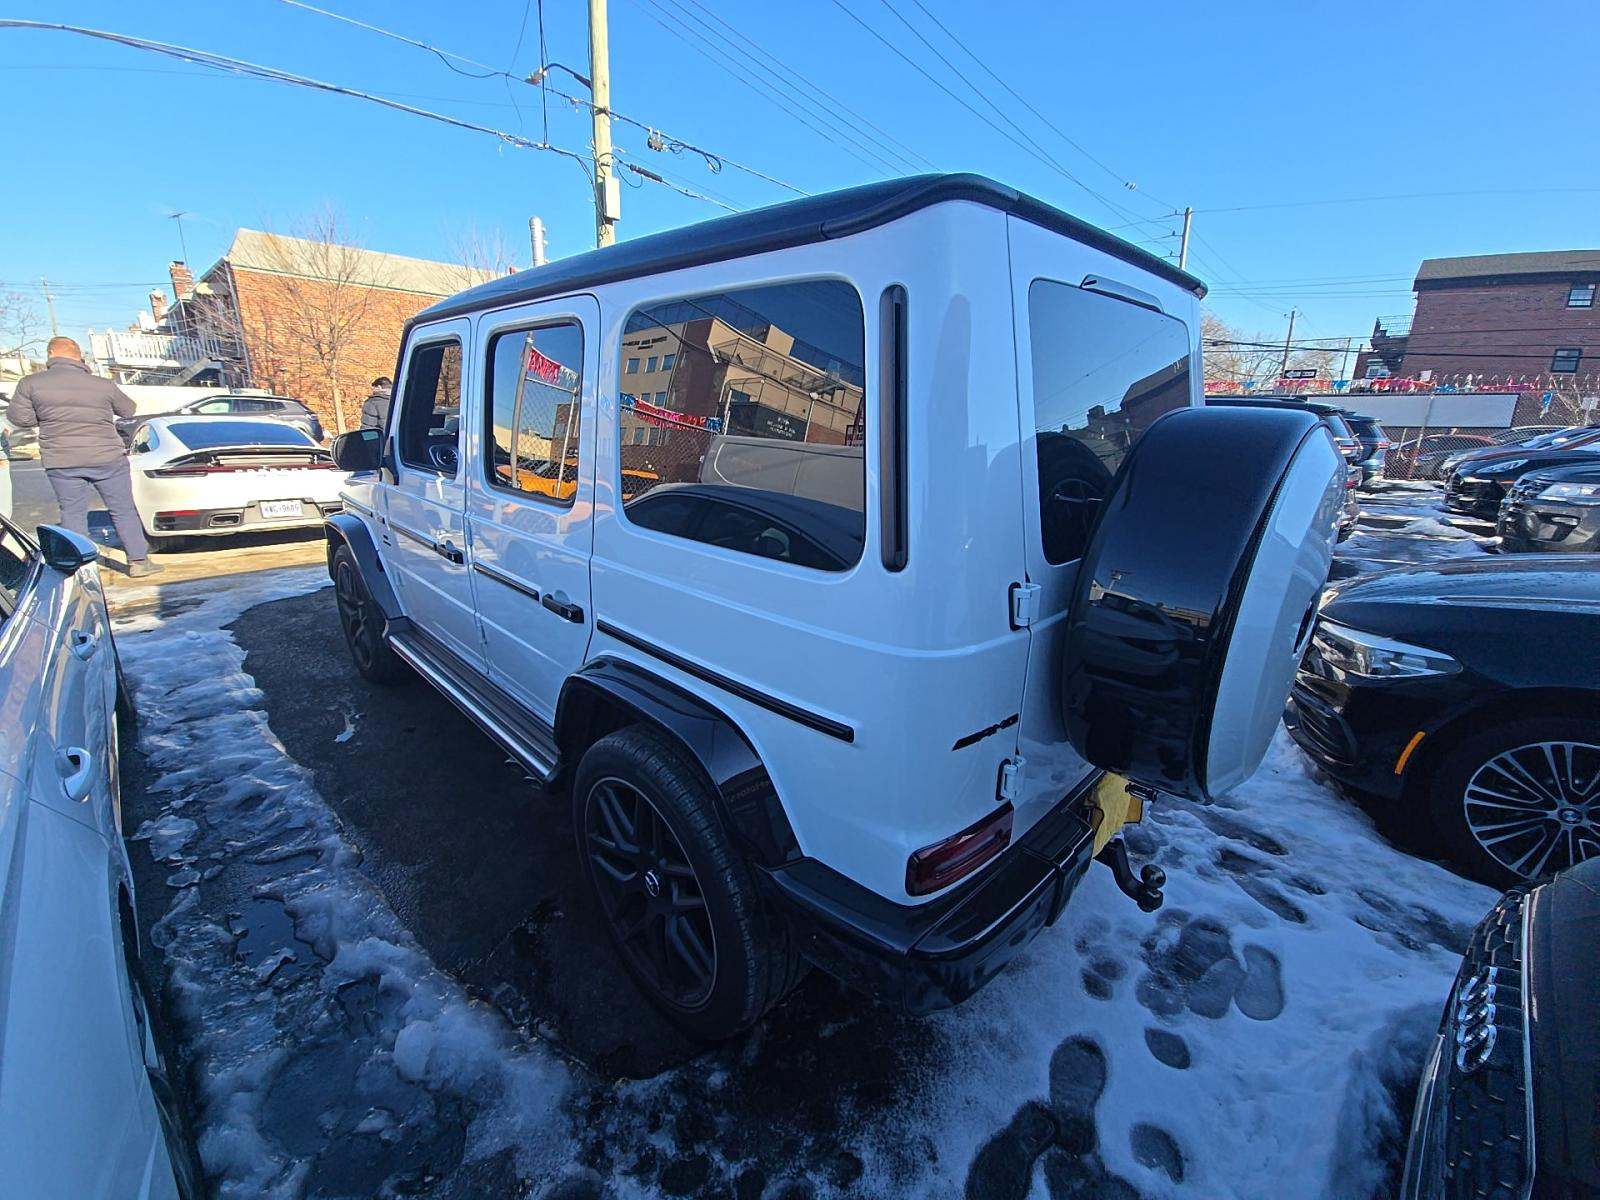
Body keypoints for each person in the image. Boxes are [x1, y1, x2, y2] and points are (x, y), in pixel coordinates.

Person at [8, 337, 161, 577]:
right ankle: (139, 561)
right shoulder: (101, 384)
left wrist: (47, 417)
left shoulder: (31, 383)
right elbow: (128, 409)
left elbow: (20, 419)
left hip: (62, 459)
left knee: (72, 512)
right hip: (107, 456)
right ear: (79, 356)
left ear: (51, 354)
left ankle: (81, 568)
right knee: (122, 509)